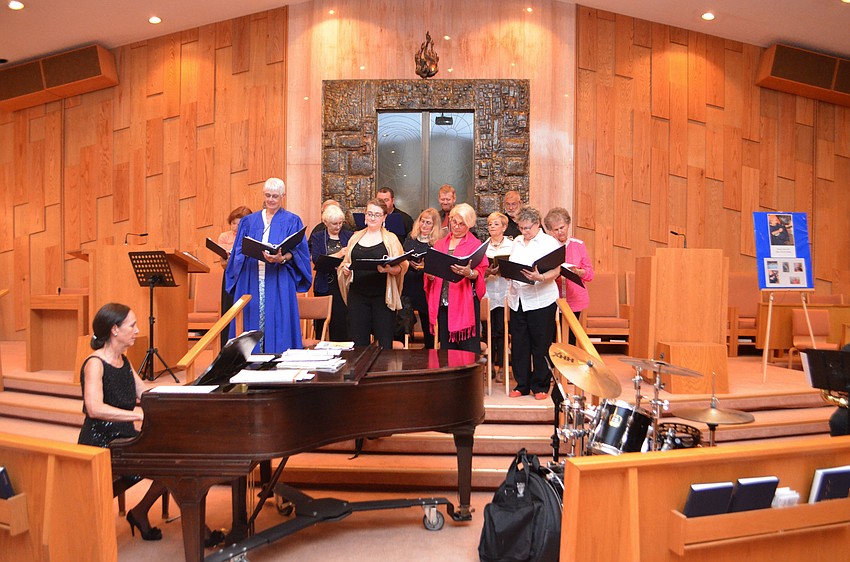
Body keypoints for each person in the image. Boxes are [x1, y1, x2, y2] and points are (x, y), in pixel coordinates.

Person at [78, 303, 167, 541]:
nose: (138, 330)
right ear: (115, 330)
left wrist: (178, 399)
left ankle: (140, 511)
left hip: (124, 440)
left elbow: (145, 394)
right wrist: (137, 415)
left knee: (174, 460)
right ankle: (141, 513)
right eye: (132, 325)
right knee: (171, 465)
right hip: (102, 444)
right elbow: (94, 408)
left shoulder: (123, 361)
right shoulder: (95, 363)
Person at [224, 177, 312, 353]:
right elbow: (239, 250)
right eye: (268, 195)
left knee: (279, 319)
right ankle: (248, 361)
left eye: (275, 196)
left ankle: (279, 359)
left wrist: (282, 258)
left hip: (279, 277)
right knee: (250, 316)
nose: (271, 200)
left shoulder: (292, 221)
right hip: (252, 276)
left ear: (283, 196)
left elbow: (299, 252)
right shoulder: (249, 221)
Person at [506, 206, 561, 399]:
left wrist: (541, 277)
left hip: (541, 300)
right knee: (520, 343)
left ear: (537, 224)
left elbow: (556, 270)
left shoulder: (549, 242)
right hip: (518, 299)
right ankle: (522, 384)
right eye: (521, 228)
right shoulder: (518, 241)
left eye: (527, 228)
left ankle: (540, 386)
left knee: (541, 343)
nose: (524, 232)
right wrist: (507, 273)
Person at [339, 198, 408, 349]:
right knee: (358, 344)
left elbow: (402, 266)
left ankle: (381, 372)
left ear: (384, 217)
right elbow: (346, 262)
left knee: (384, 344)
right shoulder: (355, 238)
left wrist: (388, 269)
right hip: (357, 297)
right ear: (365, 216)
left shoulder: (391, 239)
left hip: (382, 297)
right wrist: (345, 270)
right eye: (369, 214)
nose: (372, 218)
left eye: (377, 215)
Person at [424, 203, 489, 353]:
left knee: (469, 349)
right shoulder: (440, 244)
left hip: (465, 303)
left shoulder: (474, 244)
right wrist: (431, 276)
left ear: (469, 225)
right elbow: (430, 273)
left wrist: (469, 273)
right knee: (446, 348)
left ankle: (468, 377)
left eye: (462, 224)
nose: (457, 227)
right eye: (454, 222)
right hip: (443, 302)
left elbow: (481, 271)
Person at [544, 207, 594, 345]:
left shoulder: (579, 245)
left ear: (568, 225)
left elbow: (590, 273)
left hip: (575, 298)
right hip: (553, 298)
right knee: (553, 337)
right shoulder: (547, 247)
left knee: (572, 339)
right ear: (550, 231)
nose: (560, 232)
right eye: (556, 229)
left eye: (562, 227)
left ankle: (571, 366)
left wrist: (579, 272)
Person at [309, 204, 354, 341]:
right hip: (324, 284)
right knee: (321, 324)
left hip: (342, 285)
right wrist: (339, 254)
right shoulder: (317, 237)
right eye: (334, 224)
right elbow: (317, 260)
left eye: (341, 223)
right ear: (325, 223)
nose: (338, 227)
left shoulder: (349, 236)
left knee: (341, 324)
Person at [402, 208, 445, 349]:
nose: (424, 225)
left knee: (426, 315)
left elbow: (440, 263)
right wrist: (408, 262)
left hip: (426, 283)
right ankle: (404, 343)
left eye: (428, 223)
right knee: (403, 311)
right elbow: (402, 255)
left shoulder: (438, 242)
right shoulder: (411, 237)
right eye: (422, 221)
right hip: (409, 279)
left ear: (434, 226)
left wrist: (425, 265)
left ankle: (429, 346)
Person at [482, 212, 514, 381]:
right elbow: (478, 270)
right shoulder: (483, 246)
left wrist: (505, 271)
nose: (492, 227)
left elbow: (515, 267)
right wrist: (486, 272)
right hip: (487, 292)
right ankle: (489, 367)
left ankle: (502, 366)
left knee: (501, 330)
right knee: (487, 330)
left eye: (495, 224)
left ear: (504, 227)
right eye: (489, 224)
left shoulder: (512, 245)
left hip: (504, 292)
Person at [217, 206, 252, 349]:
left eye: (239, 223)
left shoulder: (252, 236)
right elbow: (223, 264)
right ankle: (226, 348)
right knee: (229, 311)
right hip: (231, 276)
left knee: (247, 312)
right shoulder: (224, 237)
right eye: (233, 223)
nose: (236, 227)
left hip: (247, 276)